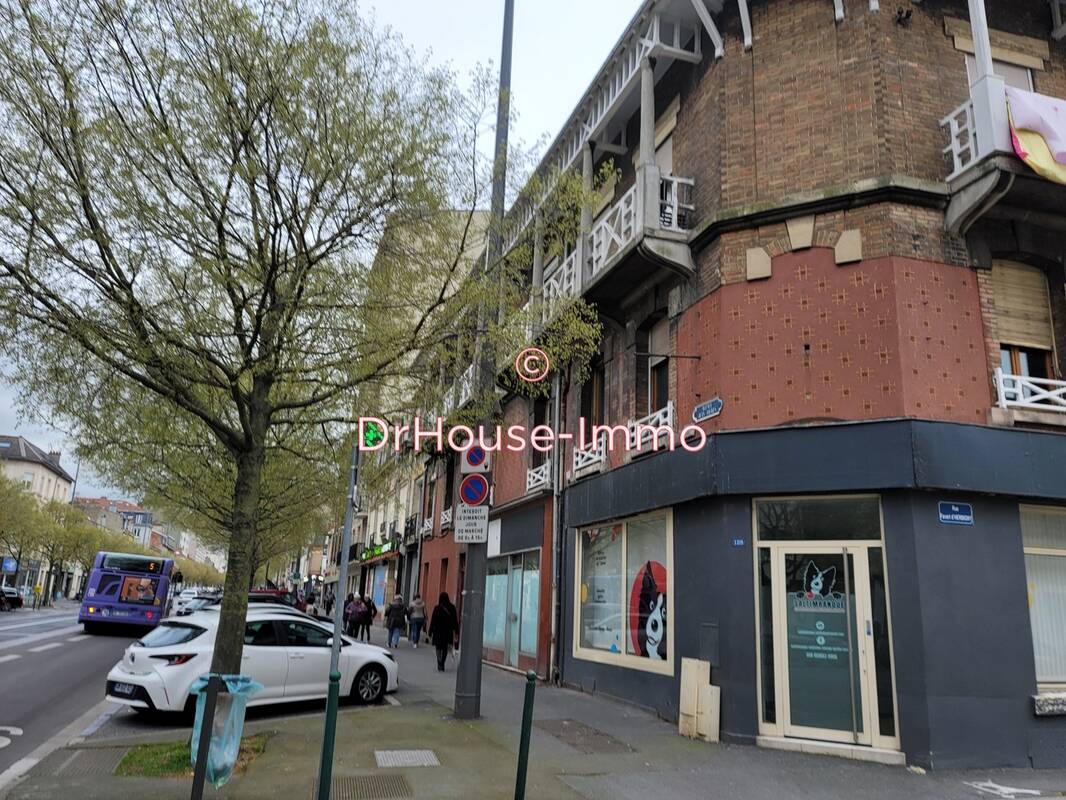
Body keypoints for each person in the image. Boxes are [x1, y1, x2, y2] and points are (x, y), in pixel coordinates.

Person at [428, 592, 459, 672]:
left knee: (438, 647)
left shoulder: (437, 608)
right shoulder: (452, 608)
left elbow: (433, 620)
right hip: (447, 632)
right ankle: (442, 662)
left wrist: (430, 631)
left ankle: (439, 661)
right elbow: (455, 620)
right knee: (445, 648)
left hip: (438, 631)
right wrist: (456, 631)